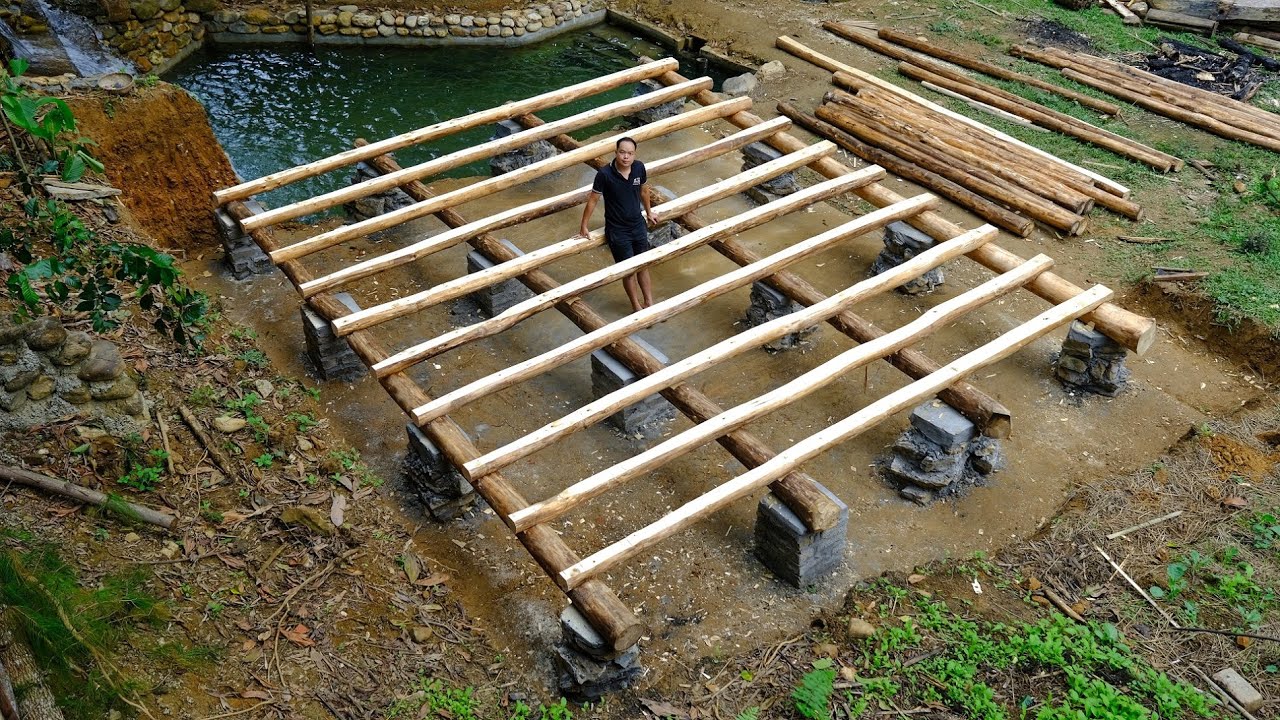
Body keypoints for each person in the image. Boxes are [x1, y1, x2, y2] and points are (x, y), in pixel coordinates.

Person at [578, 136, 658, 313]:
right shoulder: (605, 174)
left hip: (637, 224)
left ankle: (649, 302)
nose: (626, 157)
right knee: (628, 270)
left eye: (630, 153)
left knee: (643, 265)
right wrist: (584, 226)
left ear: (634, 154)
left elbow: (644, 191)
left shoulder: (639, 168)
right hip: (618, 230)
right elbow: (592, 200)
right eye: (622, 152)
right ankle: (636, 306)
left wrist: (649, 211)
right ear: (616, 153)